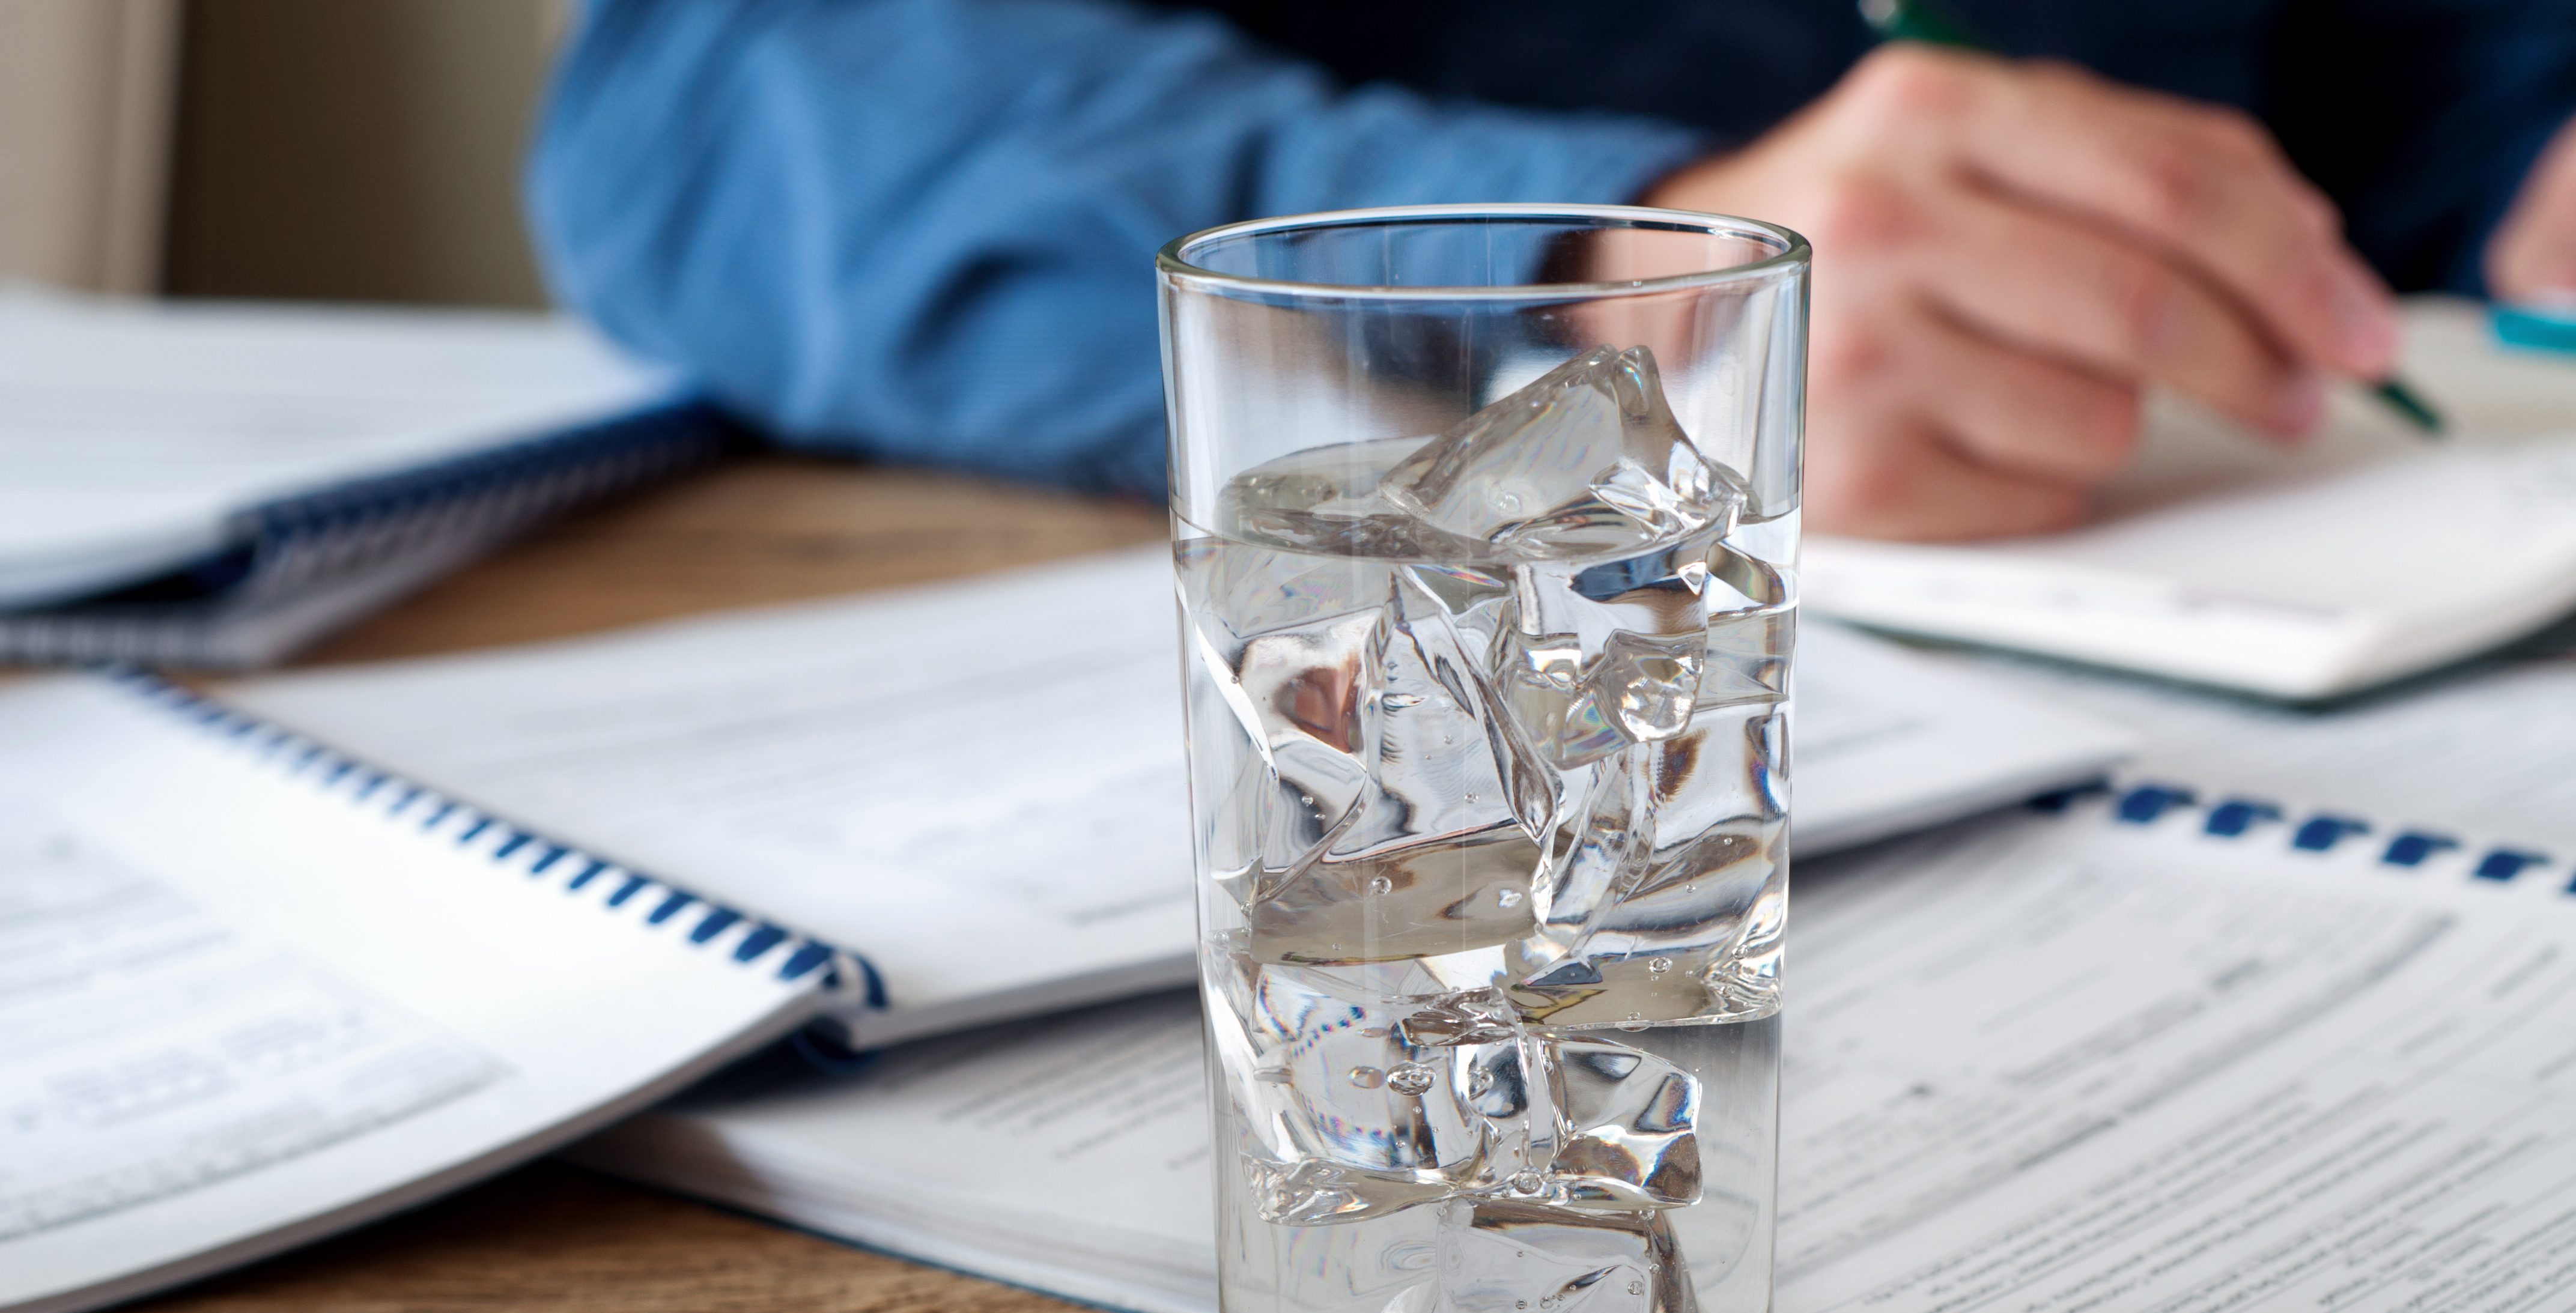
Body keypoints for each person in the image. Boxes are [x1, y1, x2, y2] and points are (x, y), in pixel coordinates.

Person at [526, 0, 2576, 539]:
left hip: (2253, 666)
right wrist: (1619, 269)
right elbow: (699, 93)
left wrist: (2530, 153)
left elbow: (2409, 90)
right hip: (1420, 695)